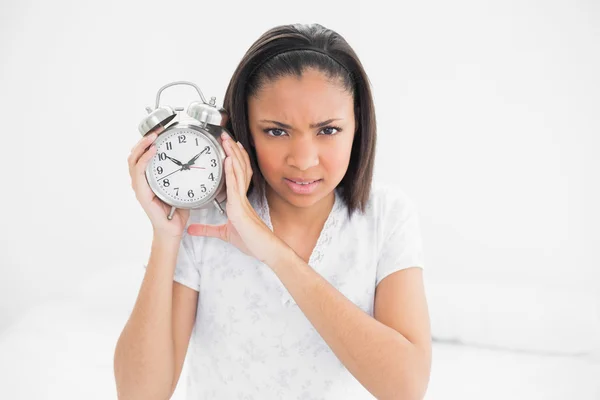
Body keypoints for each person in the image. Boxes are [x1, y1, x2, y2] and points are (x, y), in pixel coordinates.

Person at [115, 23, 431, 400]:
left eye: (328, 131)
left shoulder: (386, 216)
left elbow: (406, 388)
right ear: (245, 131)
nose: (303, 160)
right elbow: (139, 396)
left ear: (358, 126)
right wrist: (165, 237)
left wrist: (273, 252)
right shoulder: (204, 220)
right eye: (276, 131)